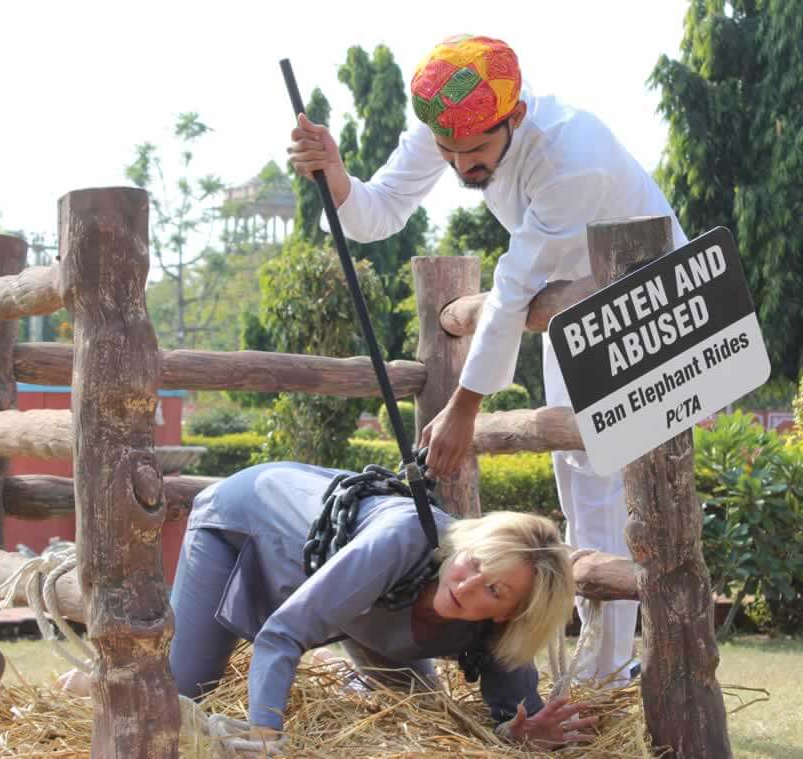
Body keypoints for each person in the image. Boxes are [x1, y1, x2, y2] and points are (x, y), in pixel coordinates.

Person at [288, 34, 688, 684]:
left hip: (653, 301)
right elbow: (378, 211)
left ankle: (614, 671)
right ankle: (606, 670)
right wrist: (334, 171)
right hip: (576, 309)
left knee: (628, 491)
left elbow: (514, 287)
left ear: (517, 117)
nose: (460, 165)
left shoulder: (571, 155)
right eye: (448, 152)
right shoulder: (444, 126)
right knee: (584, 487)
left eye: (475, 152)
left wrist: (464, 409)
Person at [159, 461, 594, 749]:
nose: (468, 583)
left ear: (507, 616)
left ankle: (334, 673)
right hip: (241, 523)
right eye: (474, 562)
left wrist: (519, 735)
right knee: (177, 700)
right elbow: (282, 633)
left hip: (367, 611)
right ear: (467, 545)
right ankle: (89, 685)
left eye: (494, 591)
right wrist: (263, 740)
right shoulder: (402, 540)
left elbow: (516, 722)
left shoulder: (501, 633)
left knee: (426, 717)